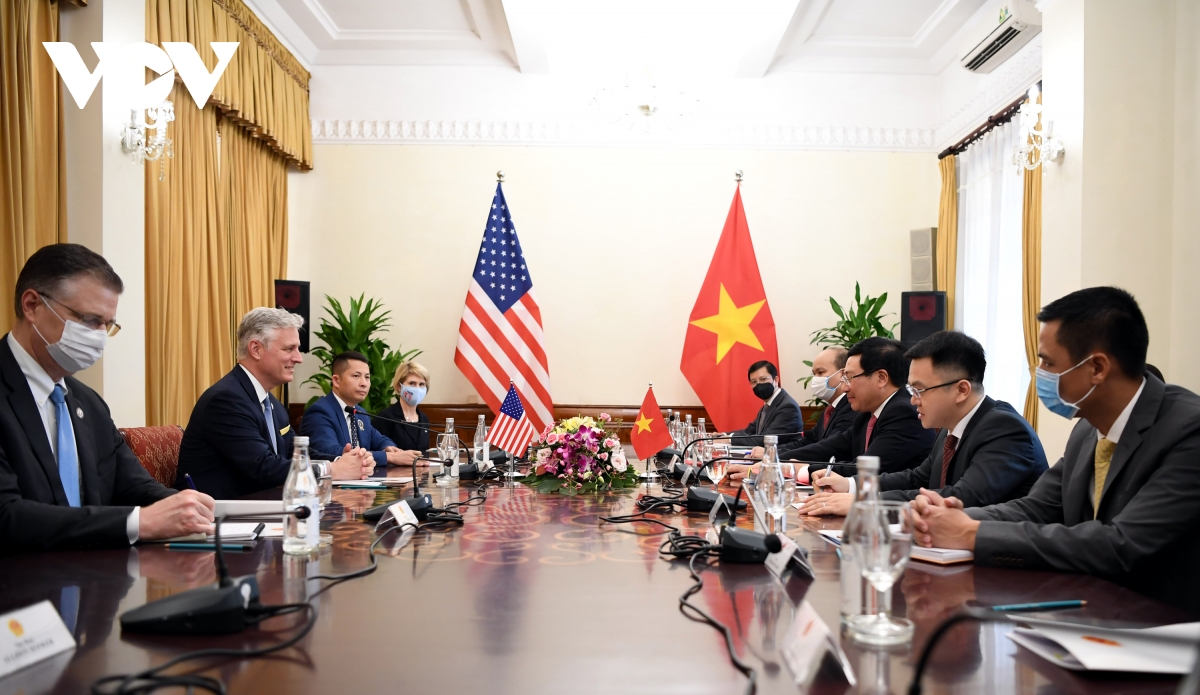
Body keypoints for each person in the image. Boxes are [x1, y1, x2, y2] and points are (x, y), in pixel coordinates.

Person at [908, 287, 1200, 614]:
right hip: (1089, 611)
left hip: (1161, 623)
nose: (1039, 374)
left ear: (1098, 368)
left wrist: (971, 533)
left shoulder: (1189, 430)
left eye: (1047, 362)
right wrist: (947, 518)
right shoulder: (1086, 429)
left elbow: (1120, 544)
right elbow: (1036, 508)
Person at [0, 244, 215, 551]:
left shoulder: (88, 403)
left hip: (96, 573)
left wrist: (188, 508)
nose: (99, 336)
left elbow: (131, 485)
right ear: (32, 305)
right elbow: (7, 516)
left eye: (107, 325)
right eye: (89, 319)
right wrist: (139, 522)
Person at [800, 331, 1047, 516]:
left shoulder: (1005, 430)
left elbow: (960, 498)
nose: (912, 400)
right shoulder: (950, 428)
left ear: (961, 390)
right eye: (911, 389)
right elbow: (916, 479)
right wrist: (850, 485)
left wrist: (864, 503)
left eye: (919, 390)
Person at [177, 308, 374, 498]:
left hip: (264, 505)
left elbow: (293, 452)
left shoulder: (270, 402)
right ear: (256, 349)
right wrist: (332, 469)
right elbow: (263, 466)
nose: (298, 358)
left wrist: (345, 461)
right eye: (289, 349)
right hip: (222, 514)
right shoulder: (226, 400)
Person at [731, 337, 935, 482]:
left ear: (881, 378)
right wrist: (773, 462)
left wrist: (795, 469)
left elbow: (864, 469)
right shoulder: (867, 413)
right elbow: (829, 447)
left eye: (850, 377)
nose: (845, 387)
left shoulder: (904, 412)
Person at [300, 351, 410, 471]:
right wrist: (387, 457)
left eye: (367, 377)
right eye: (356, 376)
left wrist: (388, 447)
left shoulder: (359, 412)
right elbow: (331, 452)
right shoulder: (319, 412)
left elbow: (379, 439)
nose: (364, 383)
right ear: (336, 381)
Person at [727, 361, 802, 447]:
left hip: (781, 455)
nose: (758, 385)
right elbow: (749, 431)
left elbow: (767, 440)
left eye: (763, 379)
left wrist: (729, 439)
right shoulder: (768, 406)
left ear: (776, 380)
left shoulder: (787, 407)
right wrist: (722, 436)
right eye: (754, 382)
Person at [372, 361, 432, 467]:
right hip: (393, 475)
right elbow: (375, 452)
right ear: (399, 387)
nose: (417, 389)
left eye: (422, 384)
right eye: (412, 383)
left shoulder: (424, 418)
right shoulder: (385, 417)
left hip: (421, 473)